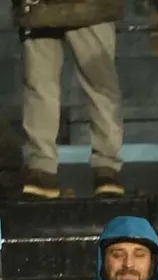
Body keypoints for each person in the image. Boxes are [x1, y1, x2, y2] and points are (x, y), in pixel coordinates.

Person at [19, 0, 124, 198]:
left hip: (91, 8)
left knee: (100, 84)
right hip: (39, 9)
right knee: (39, 85)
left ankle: (107, 166)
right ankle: (42, 167)